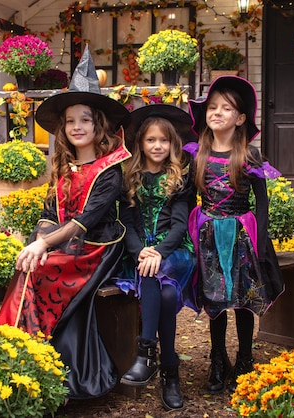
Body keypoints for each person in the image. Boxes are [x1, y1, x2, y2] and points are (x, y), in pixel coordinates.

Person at [0, 46, 131, 400]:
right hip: (64, 245)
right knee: (28, 266)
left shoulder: (110, 170)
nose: (77, 127)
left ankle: (37, 364)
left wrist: (45, 245)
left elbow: (85, 222)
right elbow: (49, 215)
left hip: (97, 248)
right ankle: (14, 357)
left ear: (98, 124)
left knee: (40, 269)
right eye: (70, 121)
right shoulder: (63, 168)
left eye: (85, 119)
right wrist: (37, 243)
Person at [183, 76, 284, 394]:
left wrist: (264, 243)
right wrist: (188, 237)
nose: (217, 112)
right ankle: (217, 359)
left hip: (242, 235)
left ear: (240, 118)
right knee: (215, 300)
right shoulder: (195, 154)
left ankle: (244, 357)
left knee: (242, 299)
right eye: (212, 107)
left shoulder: (250, 156)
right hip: (209, 234)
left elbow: (262, 202)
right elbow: (187, 198)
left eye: (226, 108)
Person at [115, 104, 196, 411]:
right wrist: (140, 252)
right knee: (163, 292)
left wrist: (159, 253)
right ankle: (169, 369)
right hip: (139, 251)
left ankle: (146, 353)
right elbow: (129, 225)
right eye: (151, 140)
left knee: (160, 277)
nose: (158, 146)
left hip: (175, 250)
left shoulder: (179, 179)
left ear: (172, 144)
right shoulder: (130, 179)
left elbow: (178, 226)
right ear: (141, 144)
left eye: (164, 140)